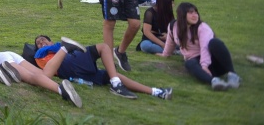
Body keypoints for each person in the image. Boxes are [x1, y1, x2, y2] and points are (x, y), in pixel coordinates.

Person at [34, 35, 172, 100]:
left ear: (51, 41)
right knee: (103, 47)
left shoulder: (61, 46)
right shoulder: (41, 55)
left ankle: (156, 92)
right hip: (69, 65)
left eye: (43, 40)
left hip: (77, 67)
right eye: (38, 43)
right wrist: (61, 49)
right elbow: (47, 72)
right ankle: (116, 85)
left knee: (112, 75)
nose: (41, 44)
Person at [162, 2, 241, 90]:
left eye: (196, 12)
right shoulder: (173, 26)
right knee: (189, 63)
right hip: (196, 62)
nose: (195, 15)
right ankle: (214, 81)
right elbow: (170, 42)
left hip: (213, 62)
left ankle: (233, 74)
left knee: (215, 43)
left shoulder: (202, 27)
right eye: (191, 13)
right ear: (182, 15)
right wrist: (165, 54)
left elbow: (205, 48)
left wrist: (204, 66)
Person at [0, 48, 83, 107]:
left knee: (30, 78)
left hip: (0, 59)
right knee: (44, 75)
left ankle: (61, 89)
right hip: (5, 55)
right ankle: (64, 48)